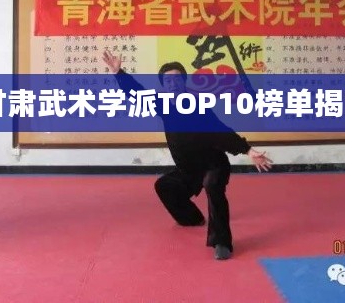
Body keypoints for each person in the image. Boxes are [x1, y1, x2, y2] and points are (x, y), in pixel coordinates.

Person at [102, 50, 273, 260]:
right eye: (168, 81)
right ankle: (193, 218)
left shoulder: (198, 106)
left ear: (184, 81)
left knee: (212, 187)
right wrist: (118, 73)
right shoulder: (163, 104)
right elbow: (137, 93)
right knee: (164, 186)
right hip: (189, 169)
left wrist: (247, 150)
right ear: (164, 85)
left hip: (213, 165)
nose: (172, 84)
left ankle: (221, 242)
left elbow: (221, 131)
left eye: (176, 79)